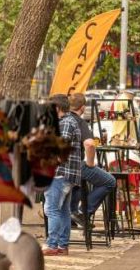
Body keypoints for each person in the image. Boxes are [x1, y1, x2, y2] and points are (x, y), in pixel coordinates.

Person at [68, 93, 117, 228]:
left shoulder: (63, 119)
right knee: (109, 181)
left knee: (80, 183)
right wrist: (90, 163)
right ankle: (83, 213)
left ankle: (72, 214)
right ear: (83, 107)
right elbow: (89, 144)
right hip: (75, 165)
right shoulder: (79, 121)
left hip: (59, 167)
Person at [43, 94, 82, 256]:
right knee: (63, 210)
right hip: (67, 173)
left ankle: (52, 244)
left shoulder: (65, 123)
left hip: (60, 173)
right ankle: (62, 245)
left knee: (52, 209)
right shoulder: (70, 121)